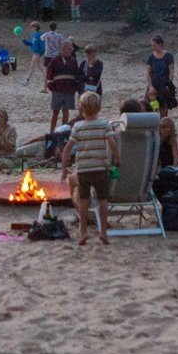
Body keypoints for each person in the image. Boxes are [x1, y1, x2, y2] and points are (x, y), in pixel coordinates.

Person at [62, 91, 119, 246]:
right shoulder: (105, 125)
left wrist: (64, 165)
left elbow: (68, 148)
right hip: (100, 168)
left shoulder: (78, 127)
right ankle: (103, 233)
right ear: (99, 108)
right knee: (103, 200)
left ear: (81, 109)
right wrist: (117, 158)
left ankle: (83, 232)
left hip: (83, 169)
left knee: (83, 200)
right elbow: (112, 144)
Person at [44, 38, 83, 134]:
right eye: (69, 49)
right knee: (55, 112)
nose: (71, 51)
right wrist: (51, 86)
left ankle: (63, 132)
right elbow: (49, 75)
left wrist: (76, 87)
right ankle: (52, 132)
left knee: (66, 112)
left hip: (69, 91)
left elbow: (76, 74)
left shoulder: (73, 61)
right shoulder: (54, 60)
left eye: (71, 49)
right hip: (57, 90)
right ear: (63, 49)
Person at [145, 36, 178, 112]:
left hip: (164, 84)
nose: (153, 47)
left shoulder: (168, 56)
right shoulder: (151, 57)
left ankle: (163, 123)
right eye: (152, 45)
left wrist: (169, 84)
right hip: (153, 83)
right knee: (151, 106)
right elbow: (147, 73)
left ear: (160, 45)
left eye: (154, 45)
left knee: (163, 107)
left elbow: (171, 71)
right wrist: (150, 86)